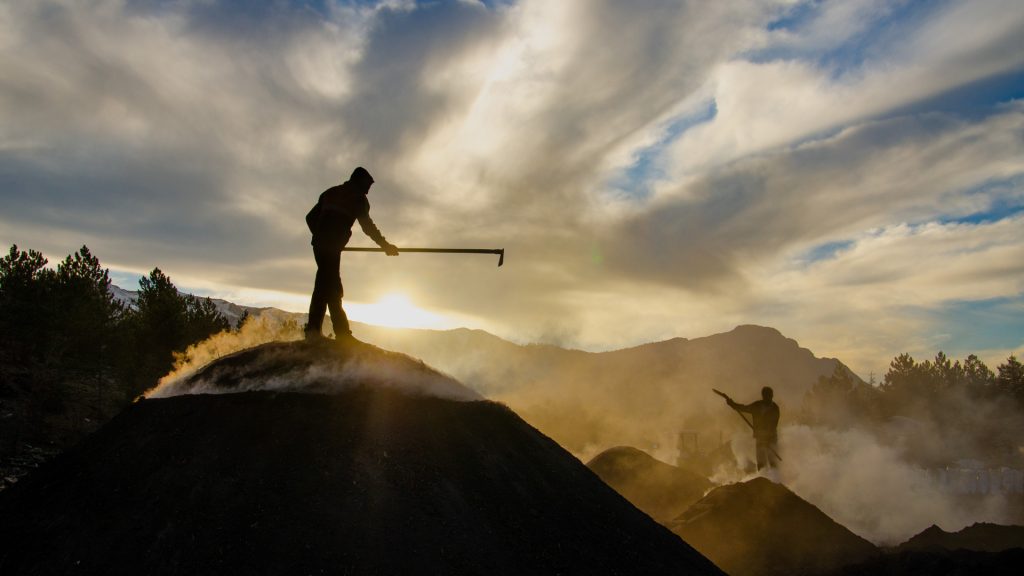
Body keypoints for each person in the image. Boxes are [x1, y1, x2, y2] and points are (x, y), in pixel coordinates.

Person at [305, 166, 398, 341]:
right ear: (359, 182)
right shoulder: (357, 199)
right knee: (331, 287)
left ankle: (316, 331)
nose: (368, 191)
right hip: (331, 247)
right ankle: (336, 334)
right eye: (368, 186)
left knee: (326, 284)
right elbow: (368, 227)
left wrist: (319, 236)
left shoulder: (330, 193)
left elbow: (310, 218)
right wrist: (385, 245)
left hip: (319, 246)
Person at [723, 386, 780, 471]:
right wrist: (732, 404)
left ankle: (775, 480)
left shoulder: (775, 408)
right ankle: (763, 479)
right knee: (761, 461)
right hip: (760, 438)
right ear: (764, 396)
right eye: (767, 396)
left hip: (771, 438)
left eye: (770, 396)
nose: (769, 398)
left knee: (772, 461)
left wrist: (767, 437)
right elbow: (743, 408)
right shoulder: (757, 406)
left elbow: (774, 424)